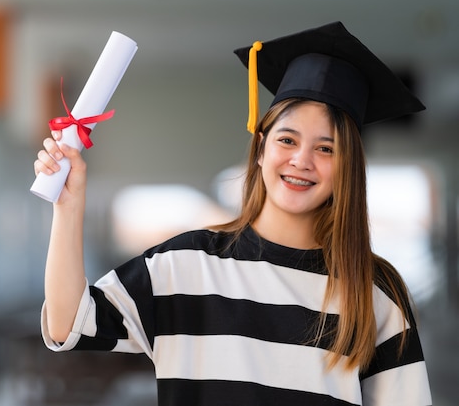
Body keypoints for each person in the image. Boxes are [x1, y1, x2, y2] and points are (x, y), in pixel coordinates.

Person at [34, 21, 433, 406]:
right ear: (261, 148)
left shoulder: (374, 290)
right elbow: (68, 323)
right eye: (287, 139)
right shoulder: (184, 267)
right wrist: (68, 208)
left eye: (326, 148)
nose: (301, 160)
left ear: (347, 165)